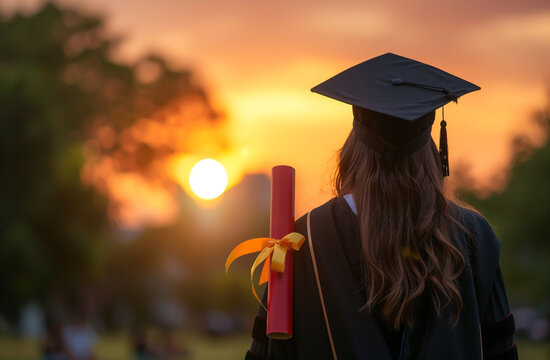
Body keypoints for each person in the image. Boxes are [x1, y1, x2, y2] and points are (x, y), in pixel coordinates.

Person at [244, 53, 517, 360]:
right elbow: (500, 350)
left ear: (353, 150)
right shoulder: (472, 236)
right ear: (430, 151)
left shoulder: (299, 240)